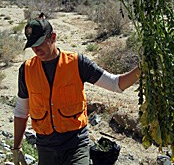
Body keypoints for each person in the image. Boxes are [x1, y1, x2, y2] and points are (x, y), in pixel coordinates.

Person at [12, 16, 140, 165]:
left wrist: (142, 69)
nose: (36, 49)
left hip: (75, 144)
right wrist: (16, 147)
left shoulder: (77, 63)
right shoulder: (27, 70)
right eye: (32, 45)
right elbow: (21, 110)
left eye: (40, 43)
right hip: (45, 146)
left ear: (53, 37)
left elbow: (116, 84)